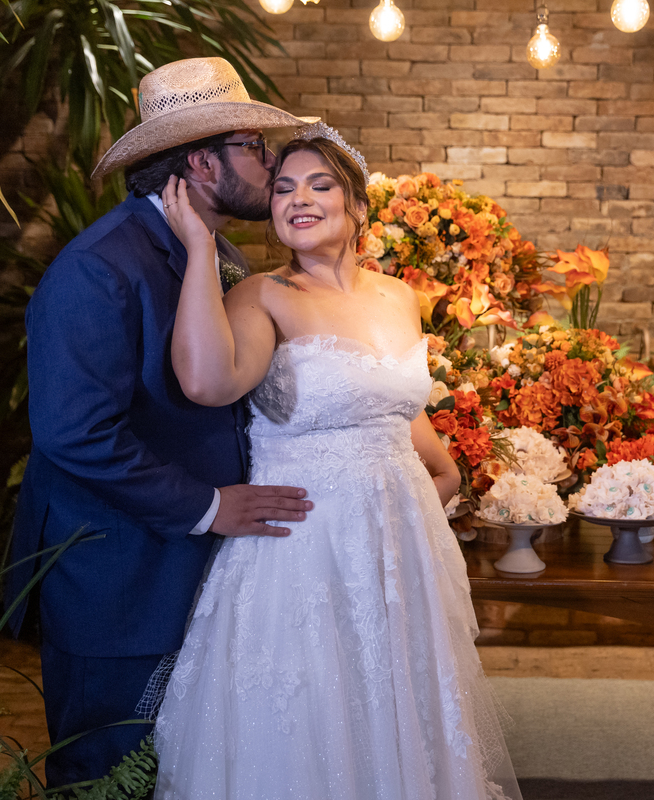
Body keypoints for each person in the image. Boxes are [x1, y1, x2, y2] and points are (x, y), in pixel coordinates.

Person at [150, 123, 522, 799]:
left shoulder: (398, 296)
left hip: (395, 554)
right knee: (313, 721)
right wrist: (200, 250)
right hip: (303, 554)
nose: (299, 198)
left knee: (400, 713)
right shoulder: (262, 295)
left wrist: (438, 478)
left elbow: (392, 404)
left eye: (319, 185)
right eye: (284, 188)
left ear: (356, 205)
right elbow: (207, 383)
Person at [6, 57, 317, 788]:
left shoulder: (215, 252)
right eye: (255, 147)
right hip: (120, 584)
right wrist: (208, 506)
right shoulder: (99, 267)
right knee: (108, 777)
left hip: (196, 572)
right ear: (203, 163)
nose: (271, 164)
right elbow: (74, 432)